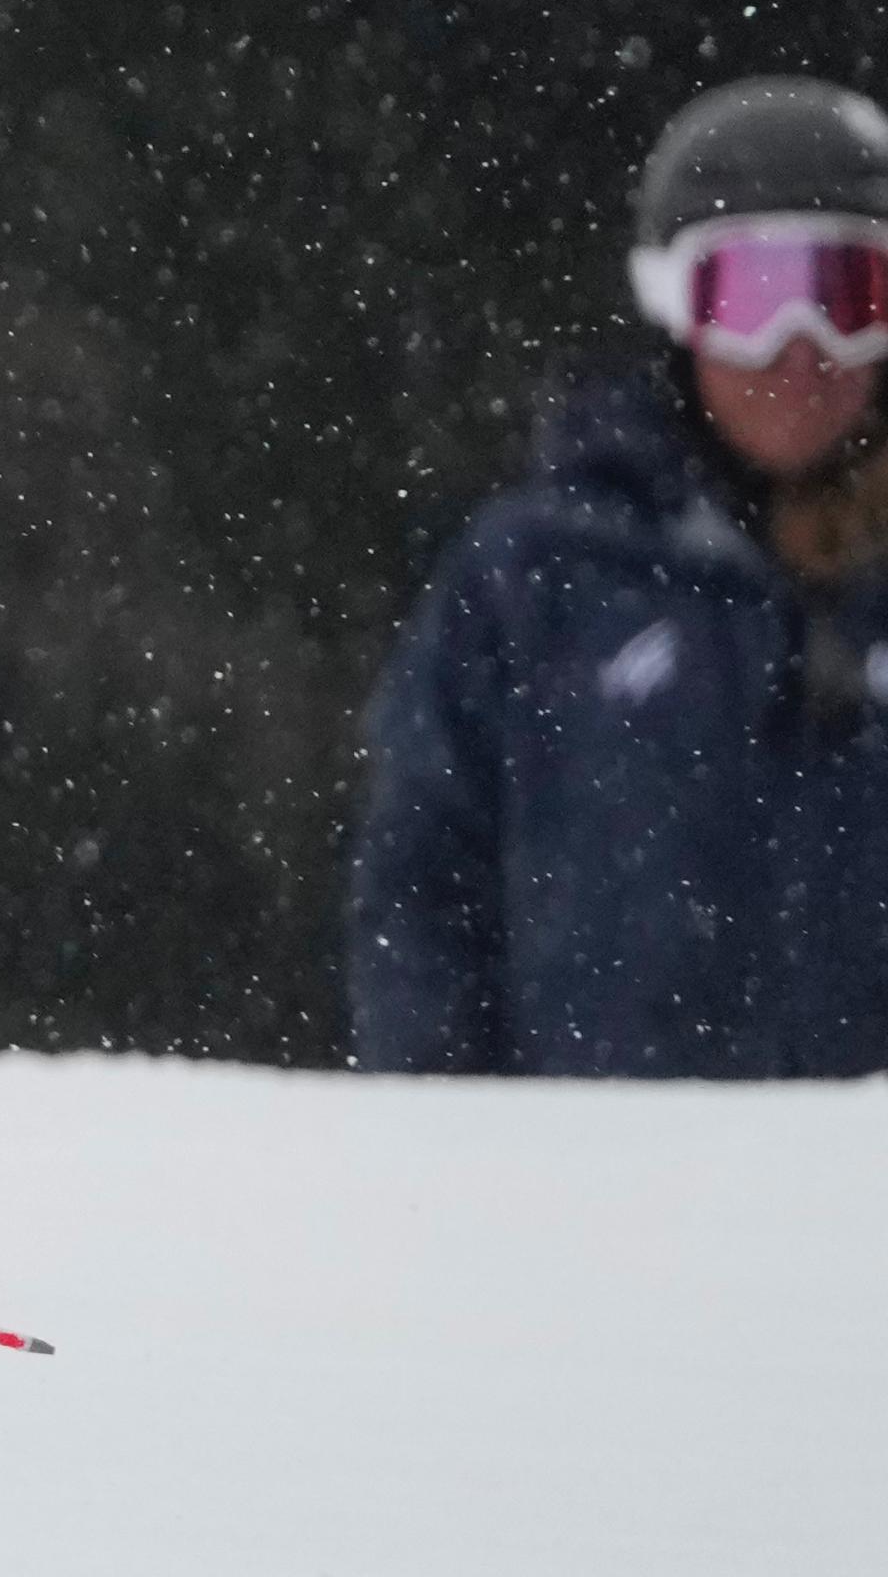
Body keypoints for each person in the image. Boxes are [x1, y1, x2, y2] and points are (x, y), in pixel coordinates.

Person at [353, 76, 888, 1079]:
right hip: (601, 1200)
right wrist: (441, 1146)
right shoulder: (539, 577)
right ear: (674, 310)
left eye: (849, 297)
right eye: (752, 298)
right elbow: (422, 890)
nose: (798, 348)